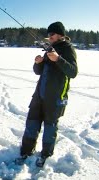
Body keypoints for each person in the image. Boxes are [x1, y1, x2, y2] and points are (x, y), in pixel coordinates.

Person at [15, 21, 78, 167]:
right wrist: (38, 62)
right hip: (39, 96)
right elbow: (38, 72)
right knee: (31, 123)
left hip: (55, 98)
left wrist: (58, 59)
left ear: (61, 35)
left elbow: (73, 72)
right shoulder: (50, 49)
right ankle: (25, 152)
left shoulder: (68, 49)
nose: (49, 37)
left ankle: (45, 155)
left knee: (50, 128)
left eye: (52, 34)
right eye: (48, 34)